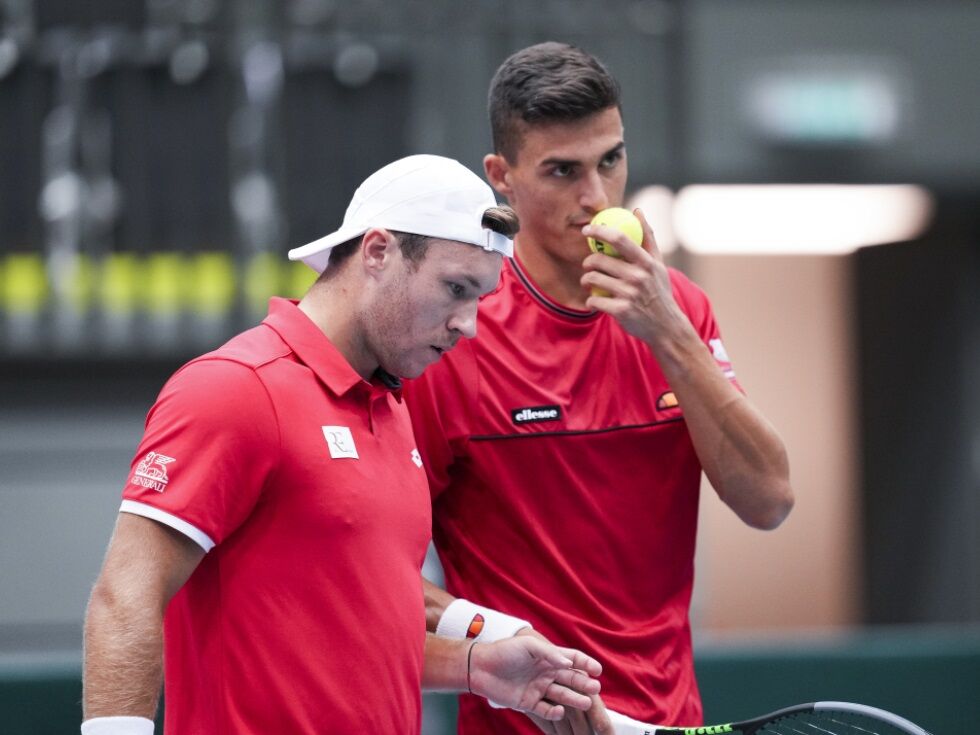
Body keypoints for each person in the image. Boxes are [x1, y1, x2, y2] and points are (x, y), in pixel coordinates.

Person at [81, 154, 603, 735]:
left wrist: (479, 663)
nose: (469, 324)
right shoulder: (234, 388)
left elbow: (362, 622)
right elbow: (126, 595)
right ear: (377, 251)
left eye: (479, 297)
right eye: (456, 288)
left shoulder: (393, 407)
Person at [404, 43, 795, 734]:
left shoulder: (681, 312)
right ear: (503, 177)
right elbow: (379, 574)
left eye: (610, 160)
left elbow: (769, 500)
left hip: (674, 720)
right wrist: (500, 643)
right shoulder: (452, 341)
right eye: (563, 171)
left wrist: (669, 333)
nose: (596, 197)